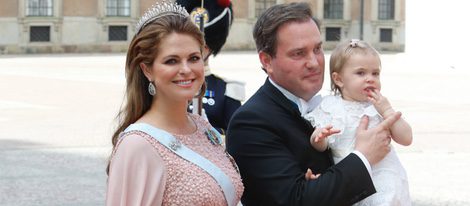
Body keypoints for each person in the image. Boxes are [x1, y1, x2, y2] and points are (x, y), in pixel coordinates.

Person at [226, 2, 401, 206]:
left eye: (317, 49)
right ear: (266, 61)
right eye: (298, 53)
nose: (315, 62)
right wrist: (363, 157)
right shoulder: (250, 122)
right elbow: (296, 200)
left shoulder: (334, 104)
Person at [105, 1, 243, 205]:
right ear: (147, 70)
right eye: (172, 60)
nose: (186, 69)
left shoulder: (203, 127)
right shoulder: (137, 146)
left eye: (194, 58)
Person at [305, 39, 412, 205]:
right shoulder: (330, 106)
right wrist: (318, 137)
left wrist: (388, 111)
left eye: (375, 73)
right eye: (361, 73)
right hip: (354, 177)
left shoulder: (379, 106)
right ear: (339, 79)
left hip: (387, 177)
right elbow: (323, 145)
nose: (370, 79)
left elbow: (407, 138)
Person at [177, 0, 245, 134]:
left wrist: (210, 132)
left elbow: (236, 136)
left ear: (209, 48)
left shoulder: (227, 89)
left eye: (201, 47)